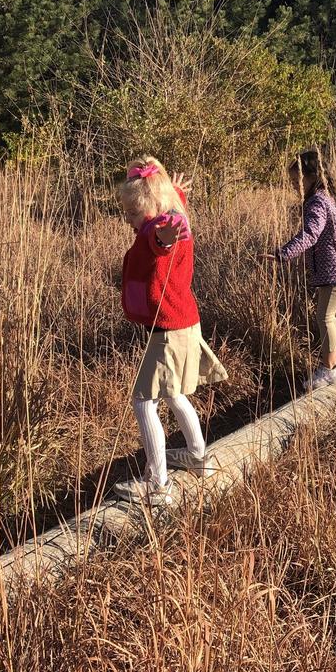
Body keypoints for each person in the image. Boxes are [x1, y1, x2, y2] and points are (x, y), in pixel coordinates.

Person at [115, 157, 227, 505]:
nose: (131, 221)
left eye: (134, 213)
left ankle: (158, 486)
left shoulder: (158, 228)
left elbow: (159, 236)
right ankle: (197, 457)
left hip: (166, 328)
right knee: (174, 393)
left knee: (143, 401)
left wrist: (162, 236)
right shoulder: (172, 211)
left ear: (152, 208)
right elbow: (169, 214)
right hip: (183, 322)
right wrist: (174, 190)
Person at [271, 149, 336, 390]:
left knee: (325, 316)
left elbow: (311, 234)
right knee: (329, 316)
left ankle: (329, 367)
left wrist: (283, 254)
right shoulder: (331, 197)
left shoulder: (318, 201)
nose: (294, 185)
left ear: (311, 176)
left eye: (296, 180)